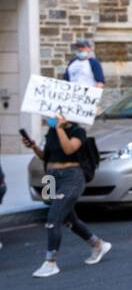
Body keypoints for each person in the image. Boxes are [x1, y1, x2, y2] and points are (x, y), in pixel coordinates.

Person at [23, 113, 111, 277]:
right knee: (68, 218)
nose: (52, 117)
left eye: (56, 114)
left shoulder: (78, 132)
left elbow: (69, 149)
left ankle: (50, 262)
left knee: (53, 217)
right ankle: (98, 244)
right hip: (51, 178)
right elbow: (47, 156)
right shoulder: (51, 131)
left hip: (71, 177)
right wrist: (34, 147)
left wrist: (60, 129)